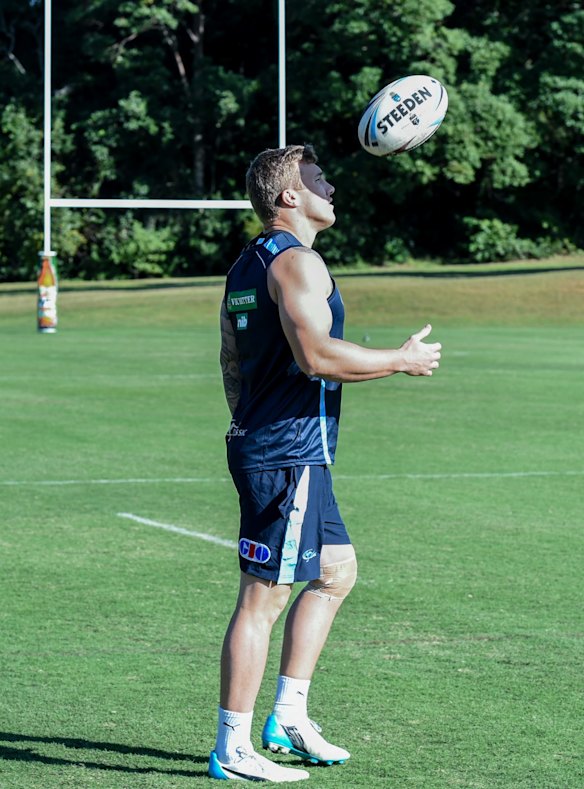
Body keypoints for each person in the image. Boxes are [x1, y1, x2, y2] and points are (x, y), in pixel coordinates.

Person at [210, 144, 441, 783]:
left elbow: (231, 360)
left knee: (336, 572)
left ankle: (287, 716)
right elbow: (316, 356)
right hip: (286, 453)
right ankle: (232, 747)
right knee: (263, 599)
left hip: (277, 446)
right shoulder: (296, 261)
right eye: (317, 178)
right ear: (289, 196)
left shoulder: (249, 262)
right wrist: (400, 360)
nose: (330, 186)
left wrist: (249, 426)